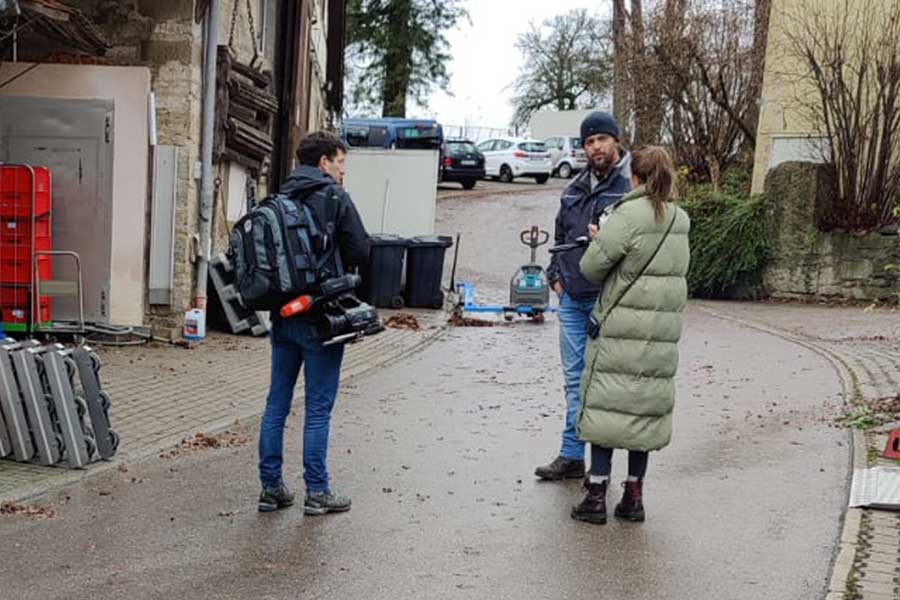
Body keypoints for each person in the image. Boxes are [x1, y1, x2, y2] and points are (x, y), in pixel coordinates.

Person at [570, 145, 691, 524]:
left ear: (634, 177)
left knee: (607, 407)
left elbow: (592, 268)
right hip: (660, 335)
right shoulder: (679, 219)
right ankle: (634, 497)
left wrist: (598, 239)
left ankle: (595, 497)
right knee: (643, 413)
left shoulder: (627, 215)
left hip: (620, 329)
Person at [257, 131, 370, 515]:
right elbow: (361, 250)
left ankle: (271, 488)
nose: (342, 171)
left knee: (277, 403)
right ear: (323, 162)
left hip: (283, 313)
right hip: (322, 315)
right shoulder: (335, 198)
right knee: (318, 408)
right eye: (340, 163)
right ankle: (317, 492)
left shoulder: (279, 197)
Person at [535, 112, 632, 481]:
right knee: (574, 380)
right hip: (572, 299)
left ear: (616, 141)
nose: (596, 148)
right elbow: (559, 237)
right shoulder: (573, 188)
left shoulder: (628, 189)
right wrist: (555, 277)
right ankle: (572, 455)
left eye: (602, 140)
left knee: (605, 381)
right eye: (590, 142)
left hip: (608, 300)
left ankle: (601, 467)